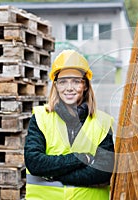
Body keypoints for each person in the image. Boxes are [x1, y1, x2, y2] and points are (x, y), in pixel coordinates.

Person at [24, 50, 115, 199]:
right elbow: (35, 163)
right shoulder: (41, 118)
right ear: (56, 86)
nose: (69, 88)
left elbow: (102, 172)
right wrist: (81, 158)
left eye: (76, 81)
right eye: (63, 81)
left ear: (85, 85)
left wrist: (53, 174)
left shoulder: (102, 123)